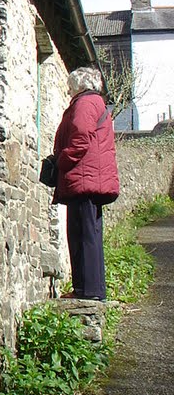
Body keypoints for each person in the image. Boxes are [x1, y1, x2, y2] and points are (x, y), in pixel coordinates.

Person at [53, 66, 119, 301]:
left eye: (70, 86)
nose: (68, 90)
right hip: (90, 179)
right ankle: (92, 289)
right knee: (89, 234)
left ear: (79, 84)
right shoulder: (94, 102)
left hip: (84, 179)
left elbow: (80, 137)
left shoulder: (85, 103)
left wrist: (62, 161)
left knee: (82, 235)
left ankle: (87, 290)